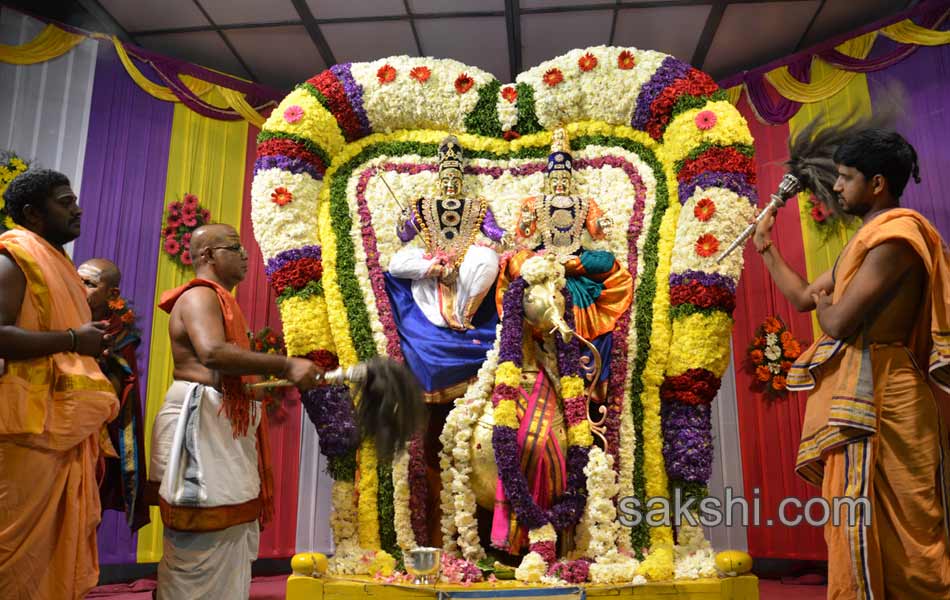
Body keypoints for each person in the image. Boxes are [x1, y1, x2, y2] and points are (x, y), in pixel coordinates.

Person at [754, 128, 950, 598]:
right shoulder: (866, 239)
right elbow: (805, 297)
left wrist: (828, 307)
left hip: (890, 392)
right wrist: (766, 246)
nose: (837, 187)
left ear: (877, 183)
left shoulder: (896, 238)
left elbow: (837, 321)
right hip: (861, 393)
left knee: (913, 525)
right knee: (853, 515)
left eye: (845, 178)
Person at [149, 223, 322, 600]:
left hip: (216, 419)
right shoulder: (199, 296)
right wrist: (286, 366)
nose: (245, 255)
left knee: (230, 525)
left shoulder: (220, 299)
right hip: (199, 423)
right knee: (205, 525)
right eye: (234, 248)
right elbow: (212, 353)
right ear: (208, 255)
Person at [0, 169, 118, 599]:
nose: (78, 208)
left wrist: (85, 349)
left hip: (59, 427)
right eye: (65, 202)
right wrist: (72, 340)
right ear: (32, 213)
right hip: (26, 429)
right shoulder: (12, 259)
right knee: (15, 548)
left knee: (53, 546)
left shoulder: (59, 265)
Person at [389, 134, 506, 331]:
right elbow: (406, 236)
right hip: (431, 260)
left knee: (488, 258)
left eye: (455, 181)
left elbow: (490, 229)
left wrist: (503, 235)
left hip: (464, 260)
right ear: (439, 182)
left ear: (462, 181)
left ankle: (466, 313)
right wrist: (402, 223)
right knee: (396, 263)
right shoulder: (424, 205)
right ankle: (439, 272)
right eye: (446, 181)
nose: (450, 185)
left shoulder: (475, 205)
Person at [78, 258, 151, 532]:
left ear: (112, 294)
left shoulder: (118, 333)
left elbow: (118, 392)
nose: (79, 287)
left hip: (94, 433)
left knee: (86, 512)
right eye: (77, 279)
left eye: (89, 283)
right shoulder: (61, 317)